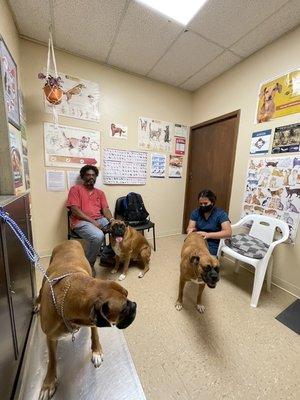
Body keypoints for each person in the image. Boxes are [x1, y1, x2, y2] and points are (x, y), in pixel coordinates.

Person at [66, 165, 114, 274]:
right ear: (83, 177)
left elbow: (105, 209)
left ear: (96, 177)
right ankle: (89, 264)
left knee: (115, 229)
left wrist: (111, 220)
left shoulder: (100, 193)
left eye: (93, 175)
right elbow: (74, 210)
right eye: (88, 175)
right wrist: (93, 222)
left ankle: (106, 255)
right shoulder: (75, 189)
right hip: (80, 221)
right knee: (98, 236)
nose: (91, 177)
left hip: (99, 219)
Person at [186, 189, 232, 256]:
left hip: (213, 241)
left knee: (205, 259)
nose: (203, 206)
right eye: (201, 204)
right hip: (198, 238)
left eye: (205, 203)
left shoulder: (221, 214)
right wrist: (192, 230)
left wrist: (208, 235)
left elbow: (228, 233)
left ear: (212, 202)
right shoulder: (196, 212)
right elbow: (189, 228)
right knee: (189, 254)